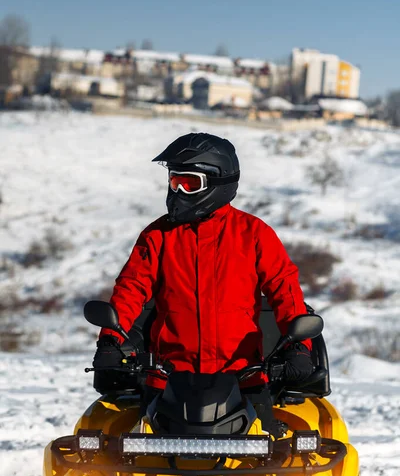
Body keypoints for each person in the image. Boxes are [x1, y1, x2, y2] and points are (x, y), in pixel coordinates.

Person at [93, 133, 314, 419]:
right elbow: (130, 289)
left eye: (190, 183)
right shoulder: (158, 235)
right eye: (175, 182)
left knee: (273, 455)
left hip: (242, 377)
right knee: (128, 452)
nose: (179, 192)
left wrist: (298, 346)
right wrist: (110, 340)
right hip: (168, 378)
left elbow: (285, 292)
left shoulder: (254, 234)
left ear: (218, 182)